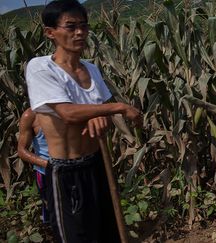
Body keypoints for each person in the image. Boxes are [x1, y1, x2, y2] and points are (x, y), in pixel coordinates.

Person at [25, 0, 142, 242]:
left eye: (84, 26)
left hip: (98, 164)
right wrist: (116, 107)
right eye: (70, 26)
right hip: (68, 172)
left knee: (107, 233)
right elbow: (67, 113)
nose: (79, 32)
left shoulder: (92, 69)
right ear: (50, 32)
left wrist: (102, 114)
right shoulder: (41, 68)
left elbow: (105, 117)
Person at [17, 108, 50, 224]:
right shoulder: (30, 115)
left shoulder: (68, 108)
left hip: (72, 169)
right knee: (54, 215)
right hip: (46, 173)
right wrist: (48, 165)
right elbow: (21, 150)